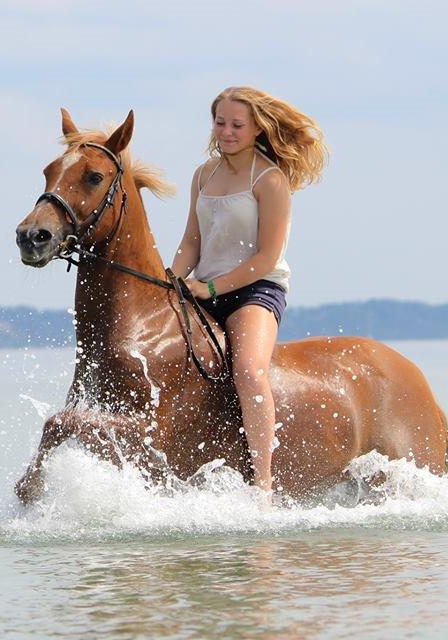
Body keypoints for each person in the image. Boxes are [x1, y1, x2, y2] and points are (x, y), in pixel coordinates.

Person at [170, 86, 328, 499]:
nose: (226, 131)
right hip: (201, 286)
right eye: (220, 122)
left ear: (258, 128)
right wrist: (170, 280)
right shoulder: (203, 174)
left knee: (250, 371)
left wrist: (208, 287)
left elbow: (266, 256)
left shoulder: (270, 180)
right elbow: (191, 241)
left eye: (237, 125)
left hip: (256, 290)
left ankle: (263, 486)